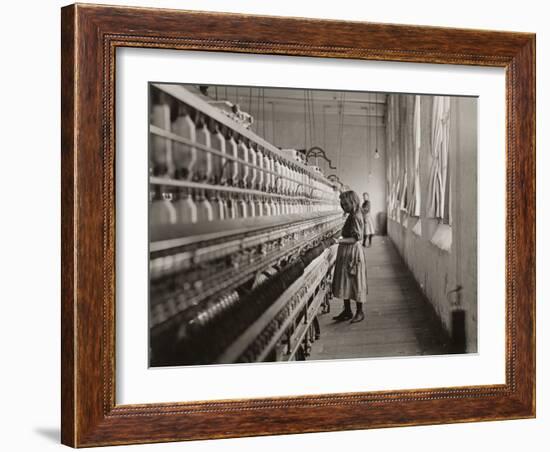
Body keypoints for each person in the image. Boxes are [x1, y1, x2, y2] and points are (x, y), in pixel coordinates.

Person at [331, 190, 368, 323]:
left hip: (353, 252)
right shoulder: (352, 214)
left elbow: (356, 238)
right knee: (345, 281)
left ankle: (360, 312)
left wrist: (338, 241)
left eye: (346, 204)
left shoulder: (356, 216)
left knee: (355, 281)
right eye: (342, 204)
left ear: (353, 202)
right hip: (347, 252)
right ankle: (347, 311)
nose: (343, 207)